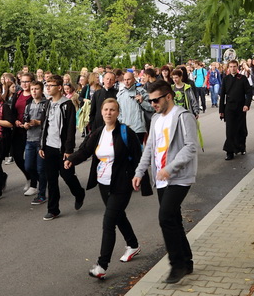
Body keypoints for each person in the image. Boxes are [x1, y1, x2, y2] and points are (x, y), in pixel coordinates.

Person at [65, 98, 143, 280]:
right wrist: (72, 160)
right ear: (101, 112)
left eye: (112, 110)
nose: (109, 113)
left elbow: (139, 156)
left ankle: (102, 265)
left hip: (122, 182)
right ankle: (133, 245)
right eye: (106, 110)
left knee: (109, 221)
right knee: (118, 215)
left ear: (118, 113)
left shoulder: (126, 132)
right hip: (103, 182)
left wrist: (139, 177)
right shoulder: (98, 132)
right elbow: (85, 150)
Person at [133, 79, 198, 285]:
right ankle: (187, 261)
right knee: (174, 219)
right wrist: (140, 172)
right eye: (150, 101)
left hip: (179, 176)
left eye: (156, 100)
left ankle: (177, 265)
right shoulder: (155, 119)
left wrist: (170, 168)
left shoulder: (183, 116)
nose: (153, 104)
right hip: (161, 178)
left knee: (165, 217)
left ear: (168, 96)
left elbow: (191, 146)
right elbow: (150, 147)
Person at [39, 74, 85, 220]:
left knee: (67, 175)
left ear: (59, 87)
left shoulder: (67, 105)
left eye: (50, 85)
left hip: (63, 149)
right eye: (46, 85)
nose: (47, 88)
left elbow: (70, 129)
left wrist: (68, 149)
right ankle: (53, 209)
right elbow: (44, 126)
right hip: (49, 147)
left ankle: (79, 193)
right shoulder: (47, 104)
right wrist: (41, 145)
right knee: (51, 179)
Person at [20, 80, 48, 203]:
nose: (34, 91)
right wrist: (25, 125)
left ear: (41, 90)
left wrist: (38, 122)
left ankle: (42, 194)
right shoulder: (29, 105)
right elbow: (25, 119)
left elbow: (49, 121)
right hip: (30, 138)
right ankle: (39, 182)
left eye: (36, 89)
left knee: (41, 168)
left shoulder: (46, 104)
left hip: (41, 140)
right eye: (32, 89)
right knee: (28, 166)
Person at [219, 60, 253, 159]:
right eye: (231, 66)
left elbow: (249, 92)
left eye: (234, 66)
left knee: (241, 129)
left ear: (237, 67)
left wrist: (247, 104)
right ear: (228, 68)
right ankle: (229, 151)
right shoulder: (226, 79)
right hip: (229, 107)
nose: (232, 68)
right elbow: (222, 95)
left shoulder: (242, 78)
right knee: (230, 129)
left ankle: (241, 146)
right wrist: (221, 110)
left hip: (241, 107)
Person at [116, 71, 153, 143]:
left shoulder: (141, 92)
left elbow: (152, 107)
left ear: (133, 79)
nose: (126, 82)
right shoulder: (120, 94)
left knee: (137, 148)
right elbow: (118, 111)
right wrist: (120, 122)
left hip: (138, 128)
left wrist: (142, 102)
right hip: (124, 127)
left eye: (128, 79)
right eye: (125, 80)